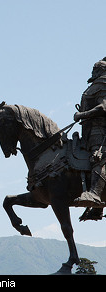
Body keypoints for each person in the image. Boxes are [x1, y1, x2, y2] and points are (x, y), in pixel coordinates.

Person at [74, 57, 106, 207]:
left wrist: (82, 115)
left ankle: (94, 194)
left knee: (97, 158)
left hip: (100, 129)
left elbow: (102, 107)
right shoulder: (96, 84)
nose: (93, 72)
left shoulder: (103, 83)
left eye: (96, 69)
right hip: (90, 130)